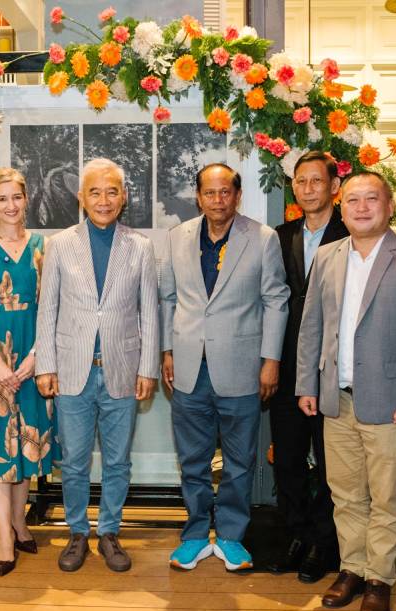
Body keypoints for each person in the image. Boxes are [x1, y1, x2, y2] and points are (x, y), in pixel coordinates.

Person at [295, 171, 396, 611]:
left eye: (371, 199)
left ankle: (379, 578)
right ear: (341, 208)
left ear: (389, 206)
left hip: (391, 402)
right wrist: (307, 383)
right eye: (353, 200)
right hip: (336, 400)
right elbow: (311, 325)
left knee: (387, 498)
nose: (361, 207)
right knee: (345, 495)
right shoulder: (328, 256)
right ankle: (352, 569)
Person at [160, 163, 289, 572]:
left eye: (225, 192)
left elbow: (276, 300)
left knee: (239, 461)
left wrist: (271, 360)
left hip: (242, 367)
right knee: (192, 460)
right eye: (210, 192)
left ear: (237, 195)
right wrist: (166, 350)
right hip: (188, 369)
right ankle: (196, 534)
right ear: (198, 197)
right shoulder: (177, 237)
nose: (218, 200)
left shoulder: (262, 238)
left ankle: (231, 535)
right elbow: (168, 298)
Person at [35, 158, 159, 574]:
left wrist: (147, 368)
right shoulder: (59, 245)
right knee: (73, 461)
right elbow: (47, 309)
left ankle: (109, 531)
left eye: (111, 192)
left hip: (122, 370)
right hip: (73, 370)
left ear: (123, 197)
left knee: (118, 461)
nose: (103, 200)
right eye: (95, 192)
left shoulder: (140, 247)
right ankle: (77, 532)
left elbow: (149, 312)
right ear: (81, 198)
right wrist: (45, 365)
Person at [0, 167, 59, 577]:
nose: (10, 205)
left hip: (34, 362)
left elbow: (52, 307)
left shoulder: (43, 246)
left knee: (25, 449)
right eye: (2, 198)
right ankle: (4, 536)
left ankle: (20, 523)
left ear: (26, 199)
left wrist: (35, 358)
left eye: (16, 197)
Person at [267, 151, 348, 582]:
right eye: (301, 181)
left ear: (335, 186)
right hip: (286, 365)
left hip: (332, 366)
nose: (308, 189)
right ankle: (296, 535)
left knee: (333, 462)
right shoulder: (280, 236)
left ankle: (324, 542)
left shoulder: (351, 233)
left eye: (317, 181)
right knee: (289, 459)